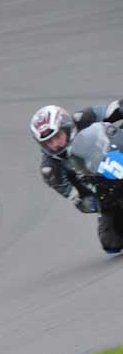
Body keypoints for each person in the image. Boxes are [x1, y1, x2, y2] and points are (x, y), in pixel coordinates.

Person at [29, 100, 123, 252]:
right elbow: (78, 199)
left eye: (57, 136)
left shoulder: (82, 118)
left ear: (67, 126)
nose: (55, 144)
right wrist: (92, 200)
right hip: (103, 188)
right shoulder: (51, 170)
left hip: (117, 153)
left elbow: (112, 110)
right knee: (111, 243)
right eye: (49, 142)